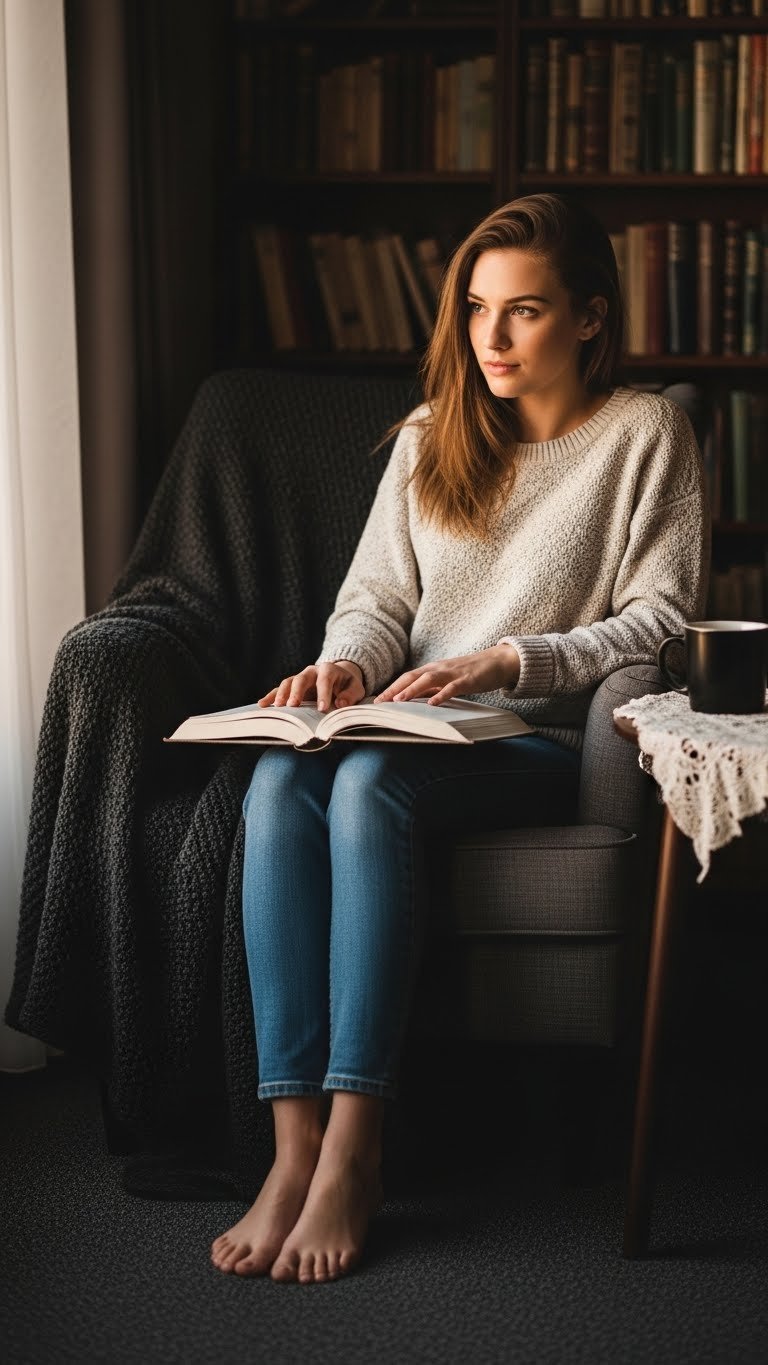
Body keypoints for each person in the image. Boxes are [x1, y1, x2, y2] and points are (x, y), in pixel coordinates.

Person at [211, 192, 709, 1284]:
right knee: (277, 786)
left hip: (534, 740)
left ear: (586, 316)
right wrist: (346, 666)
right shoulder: (431, 436)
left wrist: (511, 660)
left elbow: (664, 615)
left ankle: (357, 1143)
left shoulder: (643, 432)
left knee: (365, 786)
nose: (490, 338)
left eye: (522, 312)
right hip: (410, 720)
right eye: (477, 309)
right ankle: (292, 1149)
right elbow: (377, 600)